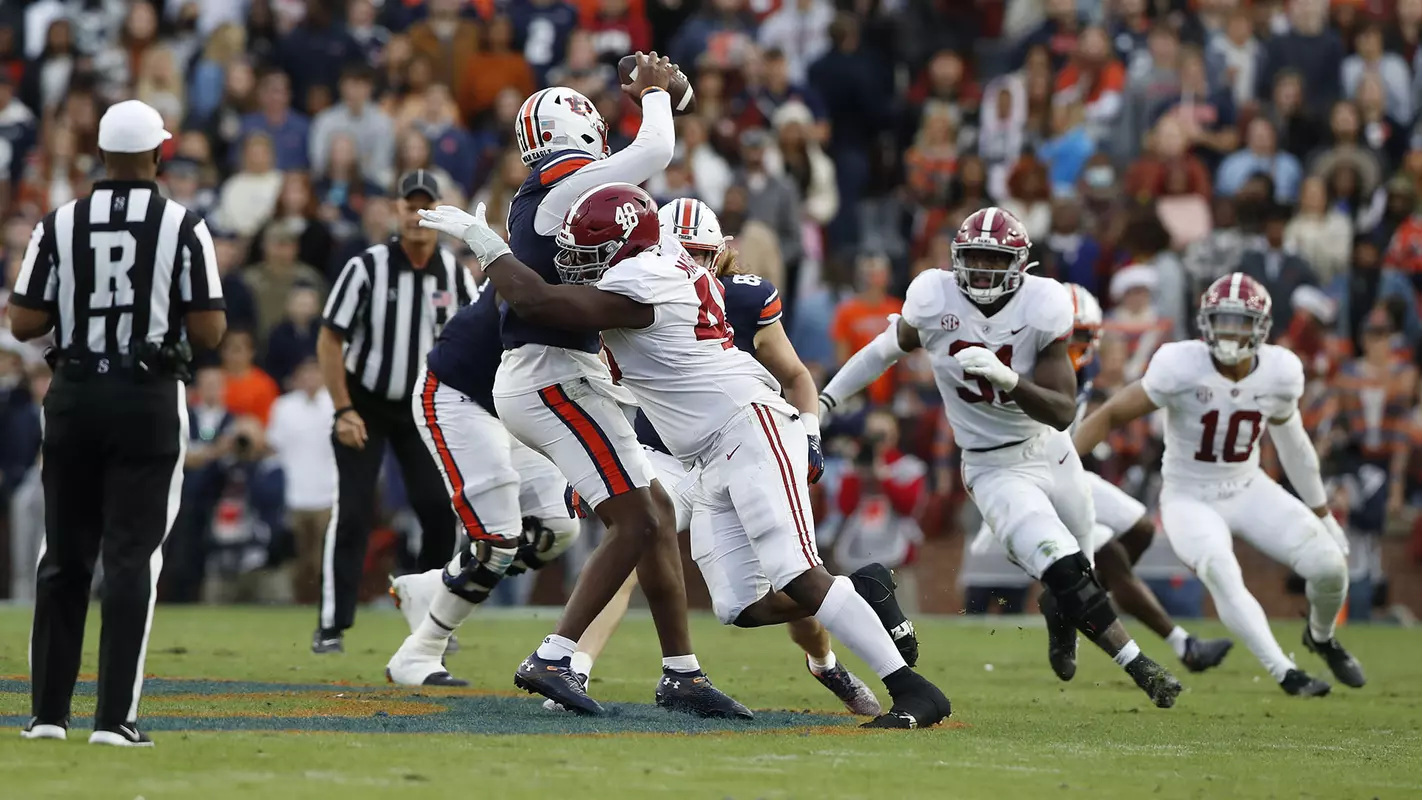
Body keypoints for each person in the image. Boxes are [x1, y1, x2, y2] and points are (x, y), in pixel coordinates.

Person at [420, 183, 952, 730]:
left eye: (593, 250)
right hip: (707, 451)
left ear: (629, 244)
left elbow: (540, 303)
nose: (581, 262)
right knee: (741, 608)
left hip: (750, 426)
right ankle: (863, 591)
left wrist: (486, 243)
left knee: (796, 573)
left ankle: (911, 690)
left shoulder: (644, 278)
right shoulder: (654, 261)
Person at [418, 56, 743, 717]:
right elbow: (656, 147)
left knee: (656, 515)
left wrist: (666, 97)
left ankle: (682, 672)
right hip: (550, 374)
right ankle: (556, 654)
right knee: (637, 519)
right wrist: (655, 94)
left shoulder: (545, 193)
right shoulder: (561, 191)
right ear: (582, 132)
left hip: (562, 371)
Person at [542, 198, 915, 718]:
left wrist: (809, 430)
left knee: (789, 576)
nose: (692, 264)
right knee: (633, 540)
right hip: (667, 451)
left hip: (739, 437)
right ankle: (575, 667)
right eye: (683, 252)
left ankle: (826, 659)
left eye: (700, 254)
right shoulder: (628, 286)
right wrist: (596, 468)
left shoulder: (742, 296)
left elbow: (796, 375)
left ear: (720, 254)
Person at [818, 206, 1182, 709]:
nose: (984, 271)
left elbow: (1060, 412)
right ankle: (1140, 665)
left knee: (1083, 567)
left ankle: (1063, 624)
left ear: (1019, 264)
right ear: (956, 259)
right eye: (975, 258)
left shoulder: (1043, 302)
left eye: (995, 259)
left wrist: (1009, 379)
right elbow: (883, 351)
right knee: (1062, 567)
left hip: (1049, 450)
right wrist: (825, 402)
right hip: (992, 465)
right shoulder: (933, 296)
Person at [8, 100, 226, 746]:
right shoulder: (181, 223)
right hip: (146, 395)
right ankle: (113, 720)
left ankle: (48, 715)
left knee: (63, 557)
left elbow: (23, 322)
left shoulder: (62, 220)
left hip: (74, 392)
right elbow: (210, 328)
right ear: (159, 155)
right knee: (132, 557)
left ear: (101, 156)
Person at [1074, 273, 1364, 696]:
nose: (1229, 331)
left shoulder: (1280, 371)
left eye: (1240, 321)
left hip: (1248, 486)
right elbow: (1113, 414)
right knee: (1220, 569)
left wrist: (1322, 513)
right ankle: (1286, 672)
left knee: (1329, 567)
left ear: (1261, 327)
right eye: (1221, 320)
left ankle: (1320, 637)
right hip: (1188, 495)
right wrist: (1061, 464)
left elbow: (1293, 444)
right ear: (1205, 322)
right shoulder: (1180, 363)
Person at [971, 283, 1233, 677]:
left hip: (1064, 469)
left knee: (1139, 531)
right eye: (1067, 337)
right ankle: (1176, 642)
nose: (1072, 347)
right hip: (1022, 480)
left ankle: (1070, 603)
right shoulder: (1026, 362)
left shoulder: (1083, 367)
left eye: (1081, 337)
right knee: (1110, 558)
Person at [381, 276, 582, 686]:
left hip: (510, 404)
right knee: (498, 541)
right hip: (459, 395)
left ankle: (432, 586)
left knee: (557, 528)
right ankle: (419, 652)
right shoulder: (541, 257)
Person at [313, 169, 479, 653]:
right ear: (396, 210)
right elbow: (329, 338)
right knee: (355, 509)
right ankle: (331, 624)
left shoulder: (454, 273)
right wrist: (343, 409)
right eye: (410, 206)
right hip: (363, 403)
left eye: (427, 207)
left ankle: (432, 626)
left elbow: (475, 339)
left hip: (421, 406)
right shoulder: (367, 267)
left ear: (441, 213)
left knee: (436, 510)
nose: (418, 216)